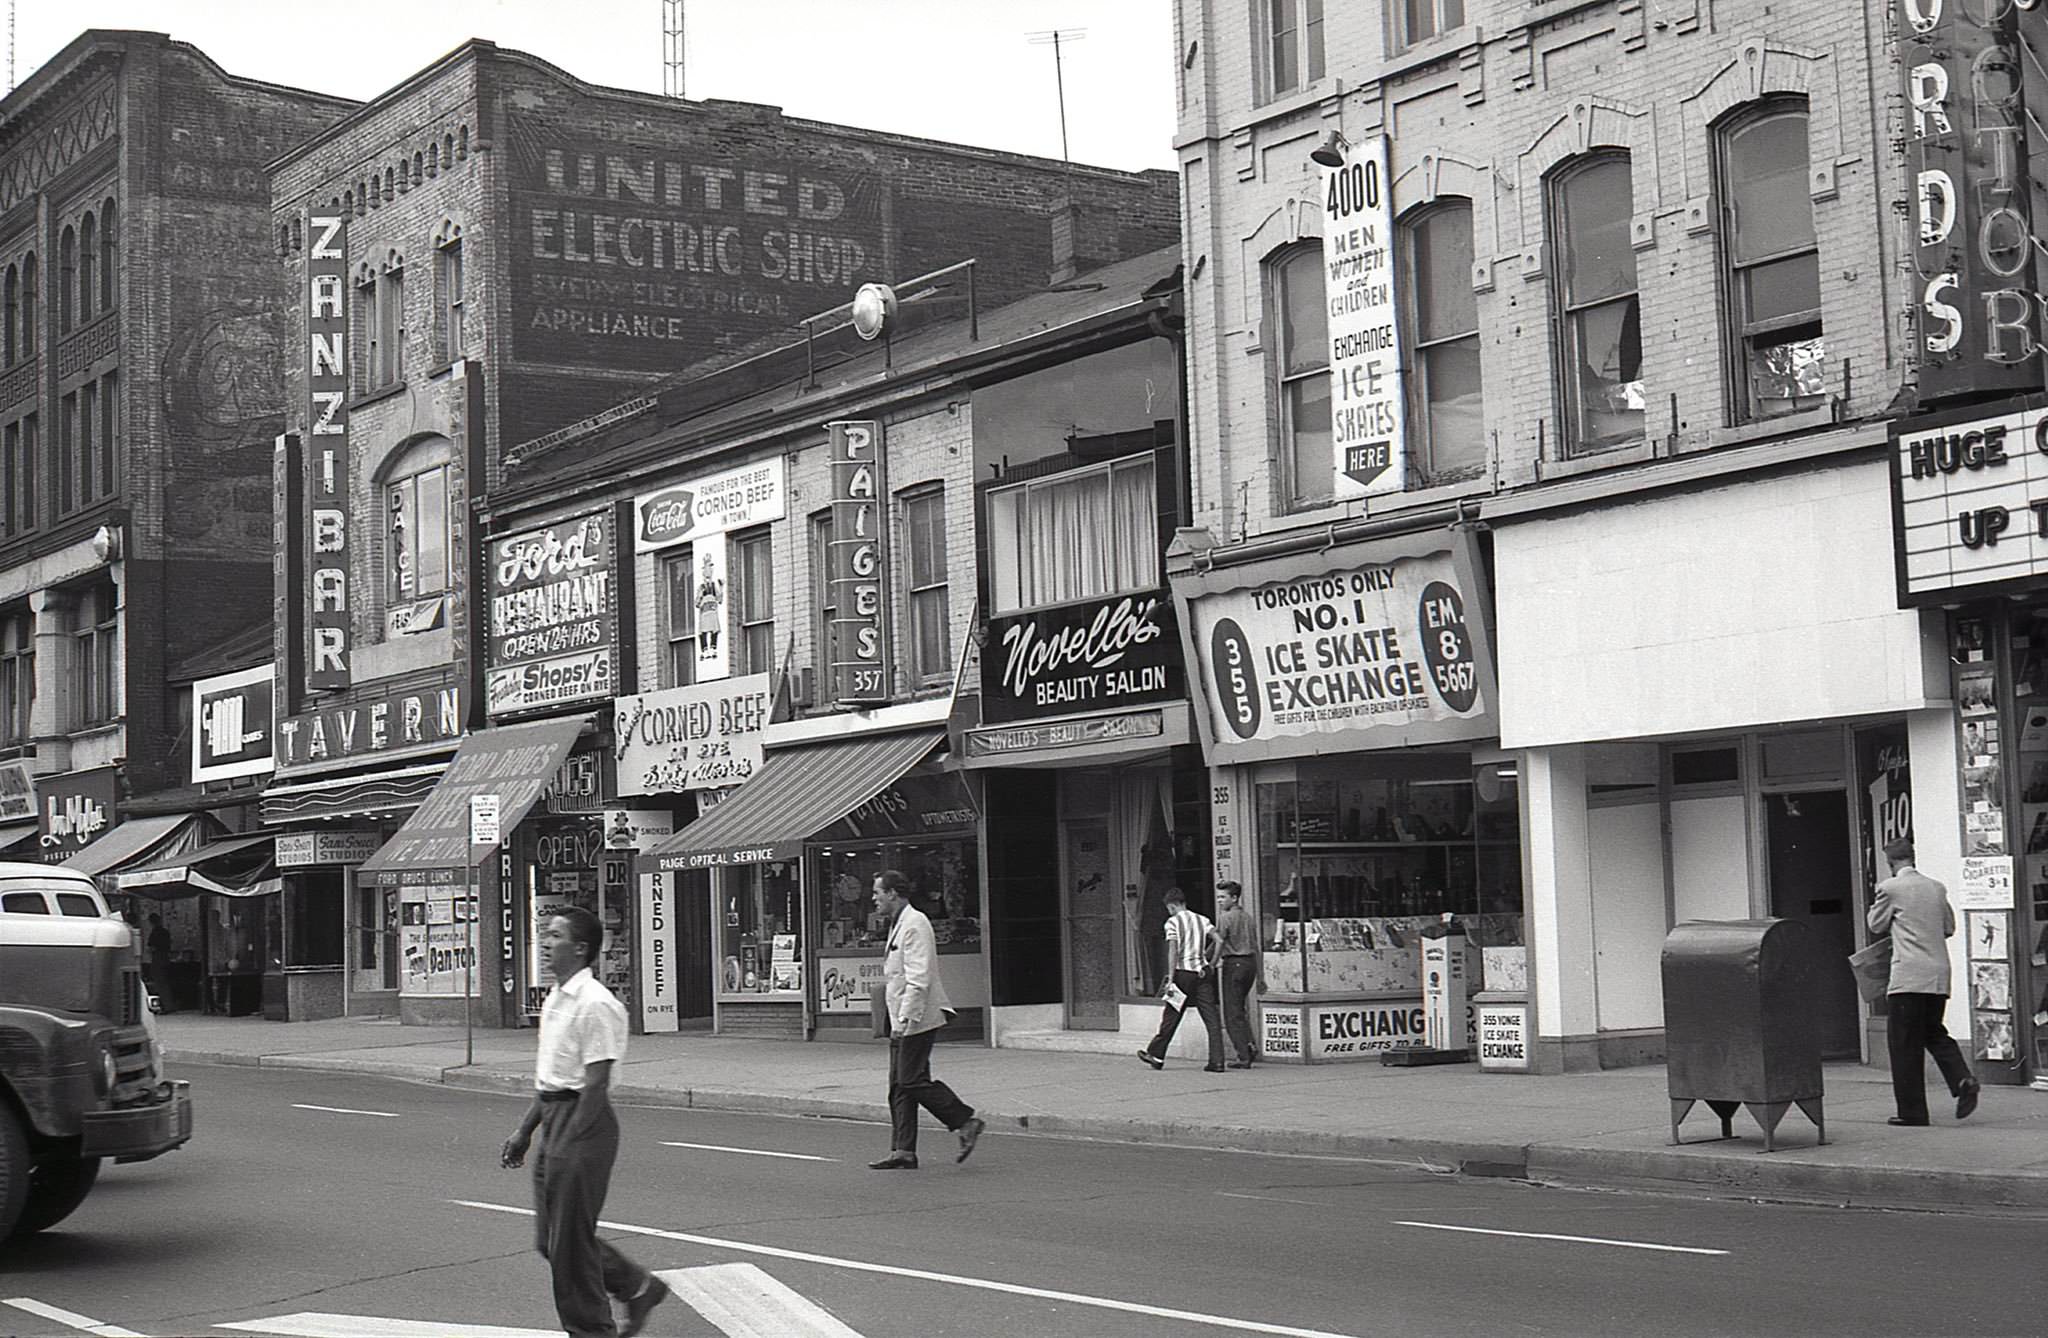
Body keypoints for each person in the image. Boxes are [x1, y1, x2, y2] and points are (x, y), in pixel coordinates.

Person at [501, 908, 669, 1337]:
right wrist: (525, 1131)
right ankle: (635, 1286)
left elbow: (594, 1085)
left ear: (579, 948)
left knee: (569, 1247)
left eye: (554, 935)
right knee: (551, 1241)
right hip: (556, 1116)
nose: (544, 941)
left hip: (584, 1124)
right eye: (545, 934)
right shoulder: (556, 998)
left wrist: (570, 1140)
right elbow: (552, 1079)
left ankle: (593, 1331)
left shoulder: (597, 1004)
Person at [869, 870, 985, 1170]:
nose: (874, 899)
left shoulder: (916, 923)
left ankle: (965, 1120)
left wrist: (906, 1018)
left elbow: (919, 977)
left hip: (916, 1017)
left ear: (893, 892)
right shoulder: (899, 922)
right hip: (901, 1018)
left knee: (911, 1079)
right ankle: (902, 1151)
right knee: (899, 1085)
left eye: (877, 892)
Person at [1868, 838, 1980, 1127]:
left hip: (1908, 977)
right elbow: (1948, 926)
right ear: (1912, 857)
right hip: (1938, 974)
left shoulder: (1890, 888)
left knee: (1904, 1044)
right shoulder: (1936, 887)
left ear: (1890, 862)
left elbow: (1875, 925)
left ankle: (1912, 1112)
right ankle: (1962, 1078)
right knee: (1934, 1032)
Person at [1137, 887, 1224, 1073]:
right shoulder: (1202, 920)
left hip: (1182, 974)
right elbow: (1219, 941)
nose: (1169, 911)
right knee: (1211, 1018)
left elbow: (1173, 950)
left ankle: (1156, 1054)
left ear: (1172, 905)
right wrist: (1212, 964)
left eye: (1169, 908)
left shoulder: (1172, 922)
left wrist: (1170, 977)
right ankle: (1217, 1061)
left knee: (1171, 1016)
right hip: (1202, 973)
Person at [1214, 881, 1260, 1068]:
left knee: (1232, 1012)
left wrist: (1212, 962)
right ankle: (1249, 1044)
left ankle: (1243, 1055)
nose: (1219, 901)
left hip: (1233, 963)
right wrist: (1261, 976)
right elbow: (1256, 947)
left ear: (1234, 898)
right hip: (1249, 963)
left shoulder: (1225, 918)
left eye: (1223, 897)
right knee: (1240, 1008)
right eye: (1218, 897)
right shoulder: (1248, 917)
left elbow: (1218, 941)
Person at [146, 913, 174, 1008]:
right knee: (165, 982)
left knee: (159, 982)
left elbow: (151, 947)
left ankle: (165, 1005)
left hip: (157, 958)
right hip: (165, 958)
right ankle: (168, 1004)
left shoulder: (154, 932)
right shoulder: (165, 932)